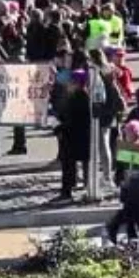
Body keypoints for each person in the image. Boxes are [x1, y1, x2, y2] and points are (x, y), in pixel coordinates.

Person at [105, 120, 139, 244]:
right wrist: (119, 180)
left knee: (133, 211)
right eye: (128, 134)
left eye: (133, 134)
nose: (130, 137)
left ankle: (114, 227)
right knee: (134, 212)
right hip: (129, 186)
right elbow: (119, 168)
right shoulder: (124, 147)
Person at [55, 69, 92, 201]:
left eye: (71, 81)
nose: (68, 84)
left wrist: (59, 127)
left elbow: (72, 119)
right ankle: (72, 188)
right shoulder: (79, 95)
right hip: (76, 136)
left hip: (73, 136)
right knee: (72, 165)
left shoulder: (79, 97)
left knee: (68, 165)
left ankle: (67, 191)